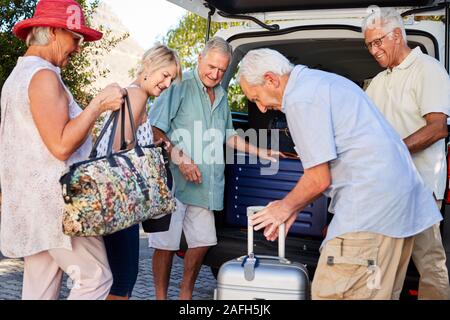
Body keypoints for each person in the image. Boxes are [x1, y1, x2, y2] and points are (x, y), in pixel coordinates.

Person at [237, 48, 442, 300]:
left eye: (256, 97)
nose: (261, 107)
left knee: (330, 292)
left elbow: (318, 178)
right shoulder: (324, 83)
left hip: (370, 214)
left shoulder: (301, 98)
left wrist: (282, 208)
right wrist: (294, 208)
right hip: (398, 212)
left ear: (271, 79)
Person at [0, 0, 125, 299]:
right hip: (59, 208)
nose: (79, 47)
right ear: (54, 32)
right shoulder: (43, 76)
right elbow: (60, 145)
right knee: (95, 279)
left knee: (39, 291)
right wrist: (97, 105)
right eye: (75, 38)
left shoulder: (17, 77)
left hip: (33, 208)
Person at [148, 37, 282, 300]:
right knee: (165, 245)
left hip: (205, 185)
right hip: (173, 183)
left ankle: (185, 294)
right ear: (200, 59)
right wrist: (180, 158)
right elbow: (154, 129)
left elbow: (228, 135)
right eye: (211, 66)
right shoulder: (179, 85)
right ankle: (160, 297)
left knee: (203, 242)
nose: (215, 74)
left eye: (222, 69)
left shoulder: (220, 94)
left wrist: (261, 151)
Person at [363, 8, 450, 300]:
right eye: (369, 45)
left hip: (420, 189)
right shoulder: (377, 82)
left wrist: (392, 151)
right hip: (386, 190)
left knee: (430, 265)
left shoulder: (428, 69)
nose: (374, 50)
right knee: (384, 266)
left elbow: (438, 128)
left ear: (397, 35)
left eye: (378, 42)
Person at [95, 44, 182, 300]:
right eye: (164, 75)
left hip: (116, 200)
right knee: (122, 280)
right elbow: (119, 149)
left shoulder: (136, 95)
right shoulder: (136, 95)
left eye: (171, 79)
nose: (167, 83)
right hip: (118, 200)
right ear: (148, 65)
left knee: (116, 278)